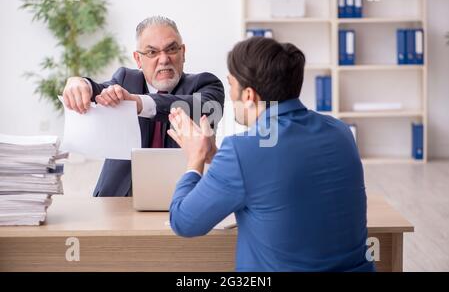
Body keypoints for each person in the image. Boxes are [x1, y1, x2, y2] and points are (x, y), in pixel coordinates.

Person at [167, 37, 375, 272]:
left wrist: (195, 157)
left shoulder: (241, 150)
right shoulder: (340, 131)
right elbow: (275, 182)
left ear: (248, 96)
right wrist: (214, 157)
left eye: (231, 85)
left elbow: (184, 223)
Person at [62, 16, 224, 197]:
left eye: (171, 49)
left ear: (183, 52)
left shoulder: (205, 84)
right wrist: (79, 82)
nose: (163, 60)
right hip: (117, 198)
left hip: (182, 199)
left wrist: (139, 103)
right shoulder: (126, 80)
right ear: (138, 59)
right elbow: (97, 91)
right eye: (152, 52)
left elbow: (201, 108)